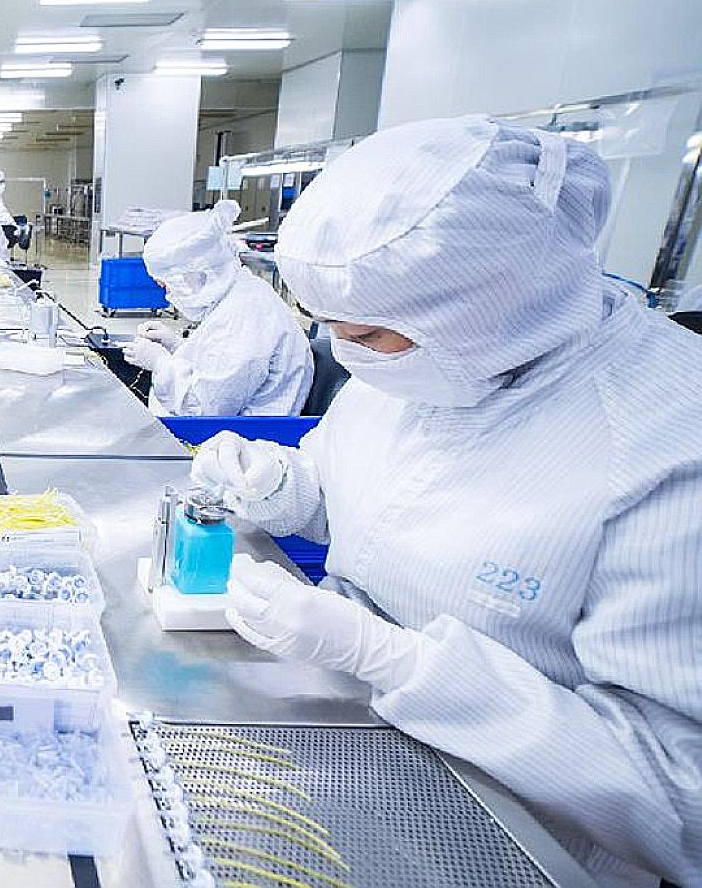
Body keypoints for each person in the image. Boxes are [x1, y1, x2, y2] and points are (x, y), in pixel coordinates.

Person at [188, 116, 702, 888]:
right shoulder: (421, 359)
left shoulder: (667, 442)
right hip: (347, 759)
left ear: (491, 303)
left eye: (366, 333)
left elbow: (679, 803)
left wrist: (395, 658)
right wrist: (277, 484)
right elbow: (364, 502)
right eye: (333, 329)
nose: (343, 352)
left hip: (510, 846)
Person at [124, 200, 312, 416]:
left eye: (167, 285)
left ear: (195, 272)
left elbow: (206, 409)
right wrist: (177, 347)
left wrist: (160, 363)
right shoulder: (238, 293)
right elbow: (219, 364)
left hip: (236, 439)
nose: (168, 294)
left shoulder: (245, 314)